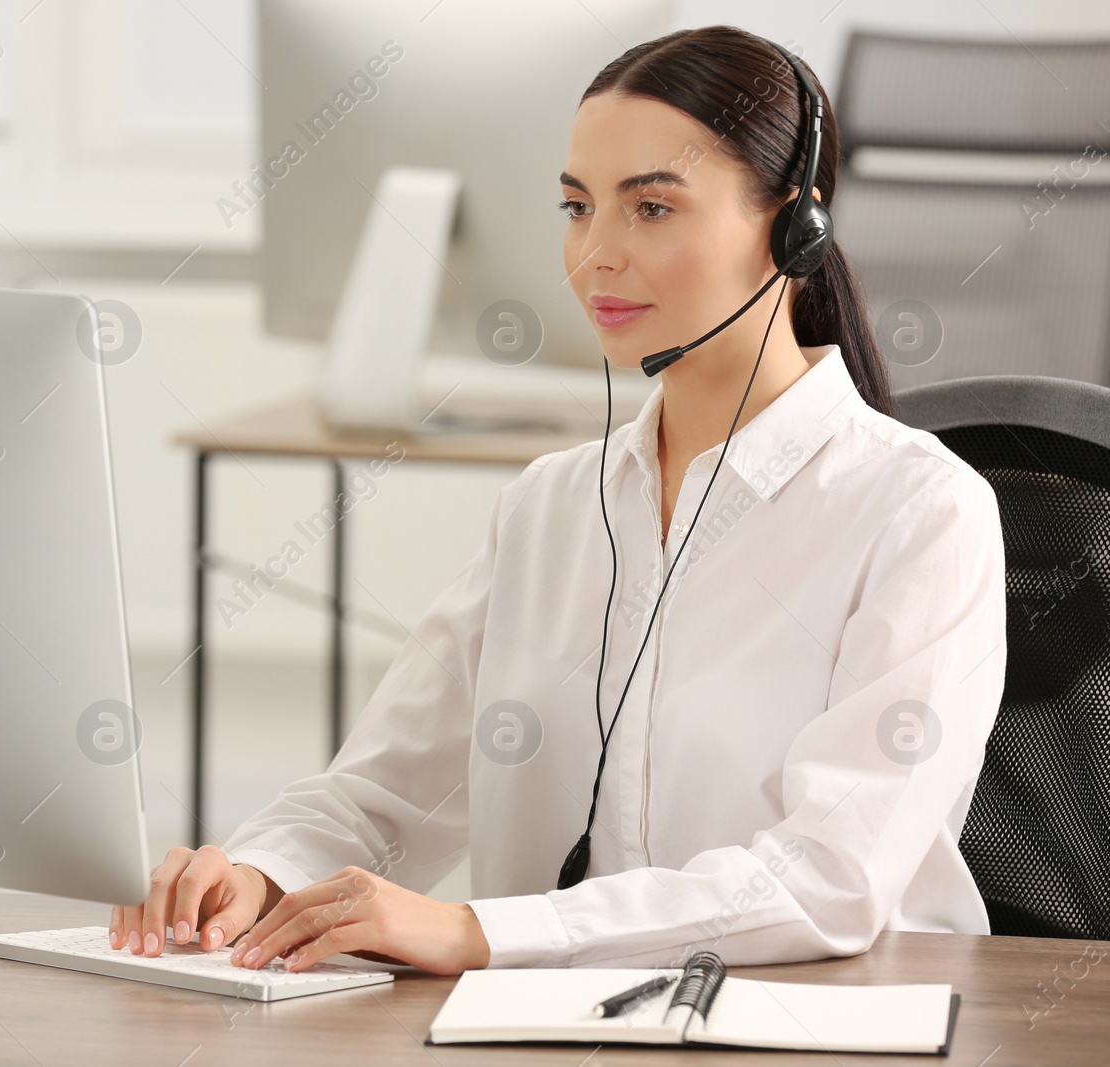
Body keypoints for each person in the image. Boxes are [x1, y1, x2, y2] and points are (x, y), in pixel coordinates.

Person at [108, 25, 1007, 976]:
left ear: (794, 226)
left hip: (820, 1028)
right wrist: (263, 873)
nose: (595, 256)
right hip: (547, 1032)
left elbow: (827, 879)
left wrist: (477, 931)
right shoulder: (552, 507)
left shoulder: (920, 513)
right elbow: (380, 792)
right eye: (577, 208)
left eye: (651, 208)